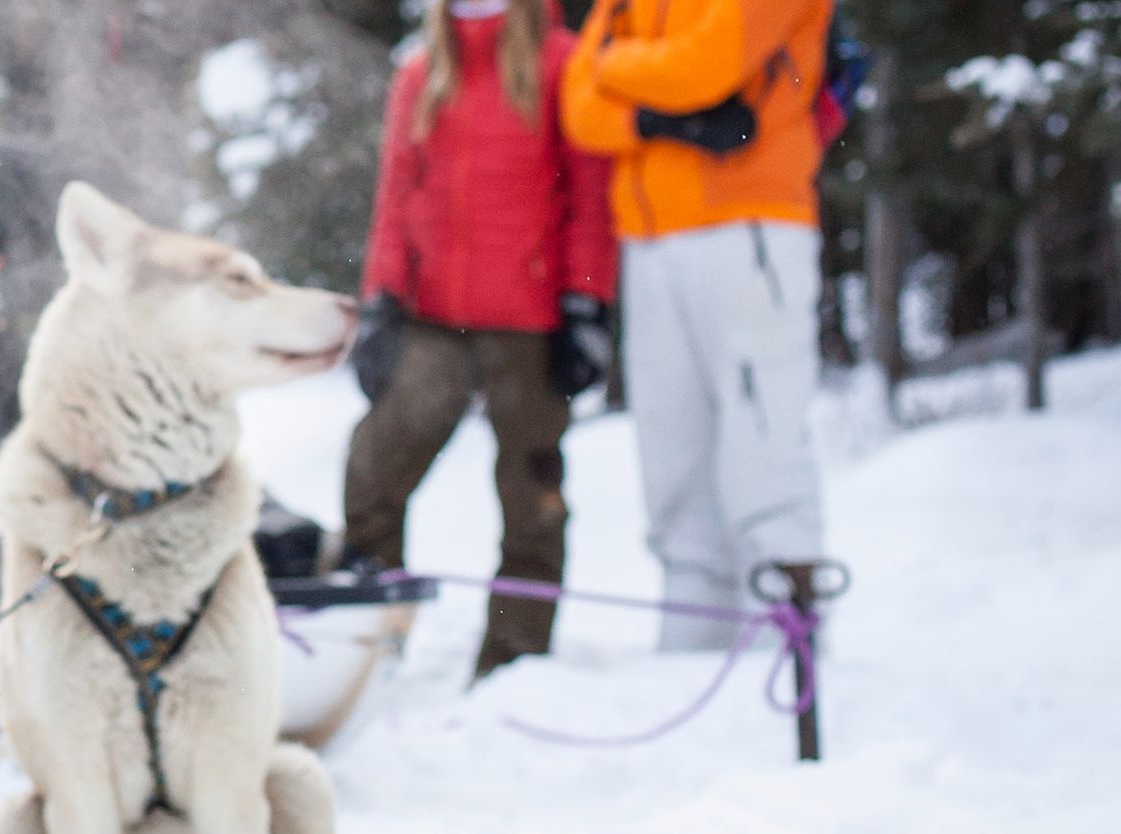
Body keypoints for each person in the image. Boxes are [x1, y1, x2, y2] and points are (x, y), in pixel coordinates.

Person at [348, 0, 618, 677]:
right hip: (433, 316)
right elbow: (394, 198)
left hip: (531, 319)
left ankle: (514, 658)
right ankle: (370, 647)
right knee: (373, 472)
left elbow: (589, 195)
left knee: (532, 496)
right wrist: (380, 301)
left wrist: (587, 302)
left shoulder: (561, 62)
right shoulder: (423, 72)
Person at [561, 0, 832, 649]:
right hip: (651, 237)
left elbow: (706, 66)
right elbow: (578, 107)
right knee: (671, 443)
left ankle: (786, 635)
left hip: (751, 223)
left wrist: (613, 67)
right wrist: (660, 119)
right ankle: (691, 636)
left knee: (761, 435)